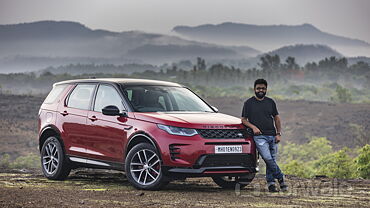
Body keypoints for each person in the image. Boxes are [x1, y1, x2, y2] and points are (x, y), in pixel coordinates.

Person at [241, 79, 288, 192]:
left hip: (272, 136)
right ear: (254, 89)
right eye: (258, 88)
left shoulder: (270, 102)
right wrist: (253, 127)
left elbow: (277, 118)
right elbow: (243, 120)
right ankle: (281, 178)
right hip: (259, 136)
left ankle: (271, 184)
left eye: (263, 88)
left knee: (271, 160)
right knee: (267, 158)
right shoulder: (248, 103)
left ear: (266, 89)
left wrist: (278, 133)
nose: (260, 90)